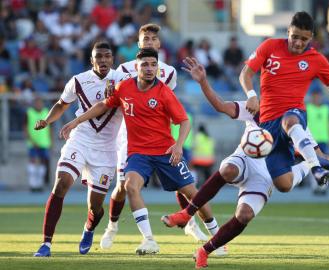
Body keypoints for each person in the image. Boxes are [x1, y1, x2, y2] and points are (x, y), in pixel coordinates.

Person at [161, 57, 329, 269]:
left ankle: (204, 251)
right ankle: (187, 213)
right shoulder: (255, 107)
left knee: (244, 215)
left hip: (267, 176)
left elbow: (322, 157)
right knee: (227, 168)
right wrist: (203, 82)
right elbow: (220, 105)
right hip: (245, 159)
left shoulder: (297, 126)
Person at [60, 48, 224, 255]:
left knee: (193, 194)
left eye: (153, 65)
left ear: (157, 67)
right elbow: (103, 105)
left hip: (165, 152)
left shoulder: (164, 92)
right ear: (136, 67)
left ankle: (218, 240)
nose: (149, 69)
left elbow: (184, 121)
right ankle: (149, 240)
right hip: (138, 154)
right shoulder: (124, 87)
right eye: (144, 64)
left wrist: (179, 145)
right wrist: (76, 121)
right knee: (130, 186)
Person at [239, 11, 329, 194]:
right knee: (283, 185)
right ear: (288, 31)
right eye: (294, 37)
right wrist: (251, 94)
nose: (298, 43)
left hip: (294, 116)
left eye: (304, 39)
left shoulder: (317, 60)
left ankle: (315, 169)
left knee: (289, 120)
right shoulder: (269, 46)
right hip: (269, 127)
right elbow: (246, 73)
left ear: (311, 38)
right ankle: (310, 165)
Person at [100, 23, 209, 251]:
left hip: (159, 138)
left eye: (153, 39)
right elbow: (111, 90)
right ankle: (112, 226)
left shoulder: (168, 71)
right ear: (139, 43)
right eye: (145, 39)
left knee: (181, 184)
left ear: (159, 44)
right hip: (128, 138)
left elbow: (164, 100)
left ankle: (189, 222)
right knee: (123, 186)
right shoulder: (122, 69)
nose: (149, 42)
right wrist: (110, 84)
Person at [33, 41, 129, 257]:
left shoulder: (123, 81)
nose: (103, 60)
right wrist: (47, 121)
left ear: (112, 59)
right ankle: (46, 244)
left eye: (107, 56)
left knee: (95, 207)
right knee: (61, 184)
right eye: (99, 56)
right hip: (81, 140)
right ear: (91, 60)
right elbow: (61, 104)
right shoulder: (78, 81)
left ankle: (89, 229)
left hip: (107, 149)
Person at [24, 96, 52, 192]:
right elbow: (25, 128)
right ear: (34, 103)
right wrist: (31, 140)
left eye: (40, 103)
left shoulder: (46, 112)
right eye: (37, 103)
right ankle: (32, 184)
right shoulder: (29, 113)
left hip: (44, 143)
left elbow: (50, 128)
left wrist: (51, 141)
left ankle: (39, 185)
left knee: (43, 163)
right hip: (33, 143)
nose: (39, 105)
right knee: (33, 162)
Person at [306, 90, 329, 195]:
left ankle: (324, 187)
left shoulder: (326, 109)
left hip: (324, 139)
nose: (317, 98)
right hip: (312, 140)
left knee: (325, 163)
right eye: (315, 96)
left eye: (318, 96)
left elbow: (328, 124)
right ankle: (315, 186)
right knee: (313, 163)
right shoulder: (308, 108)